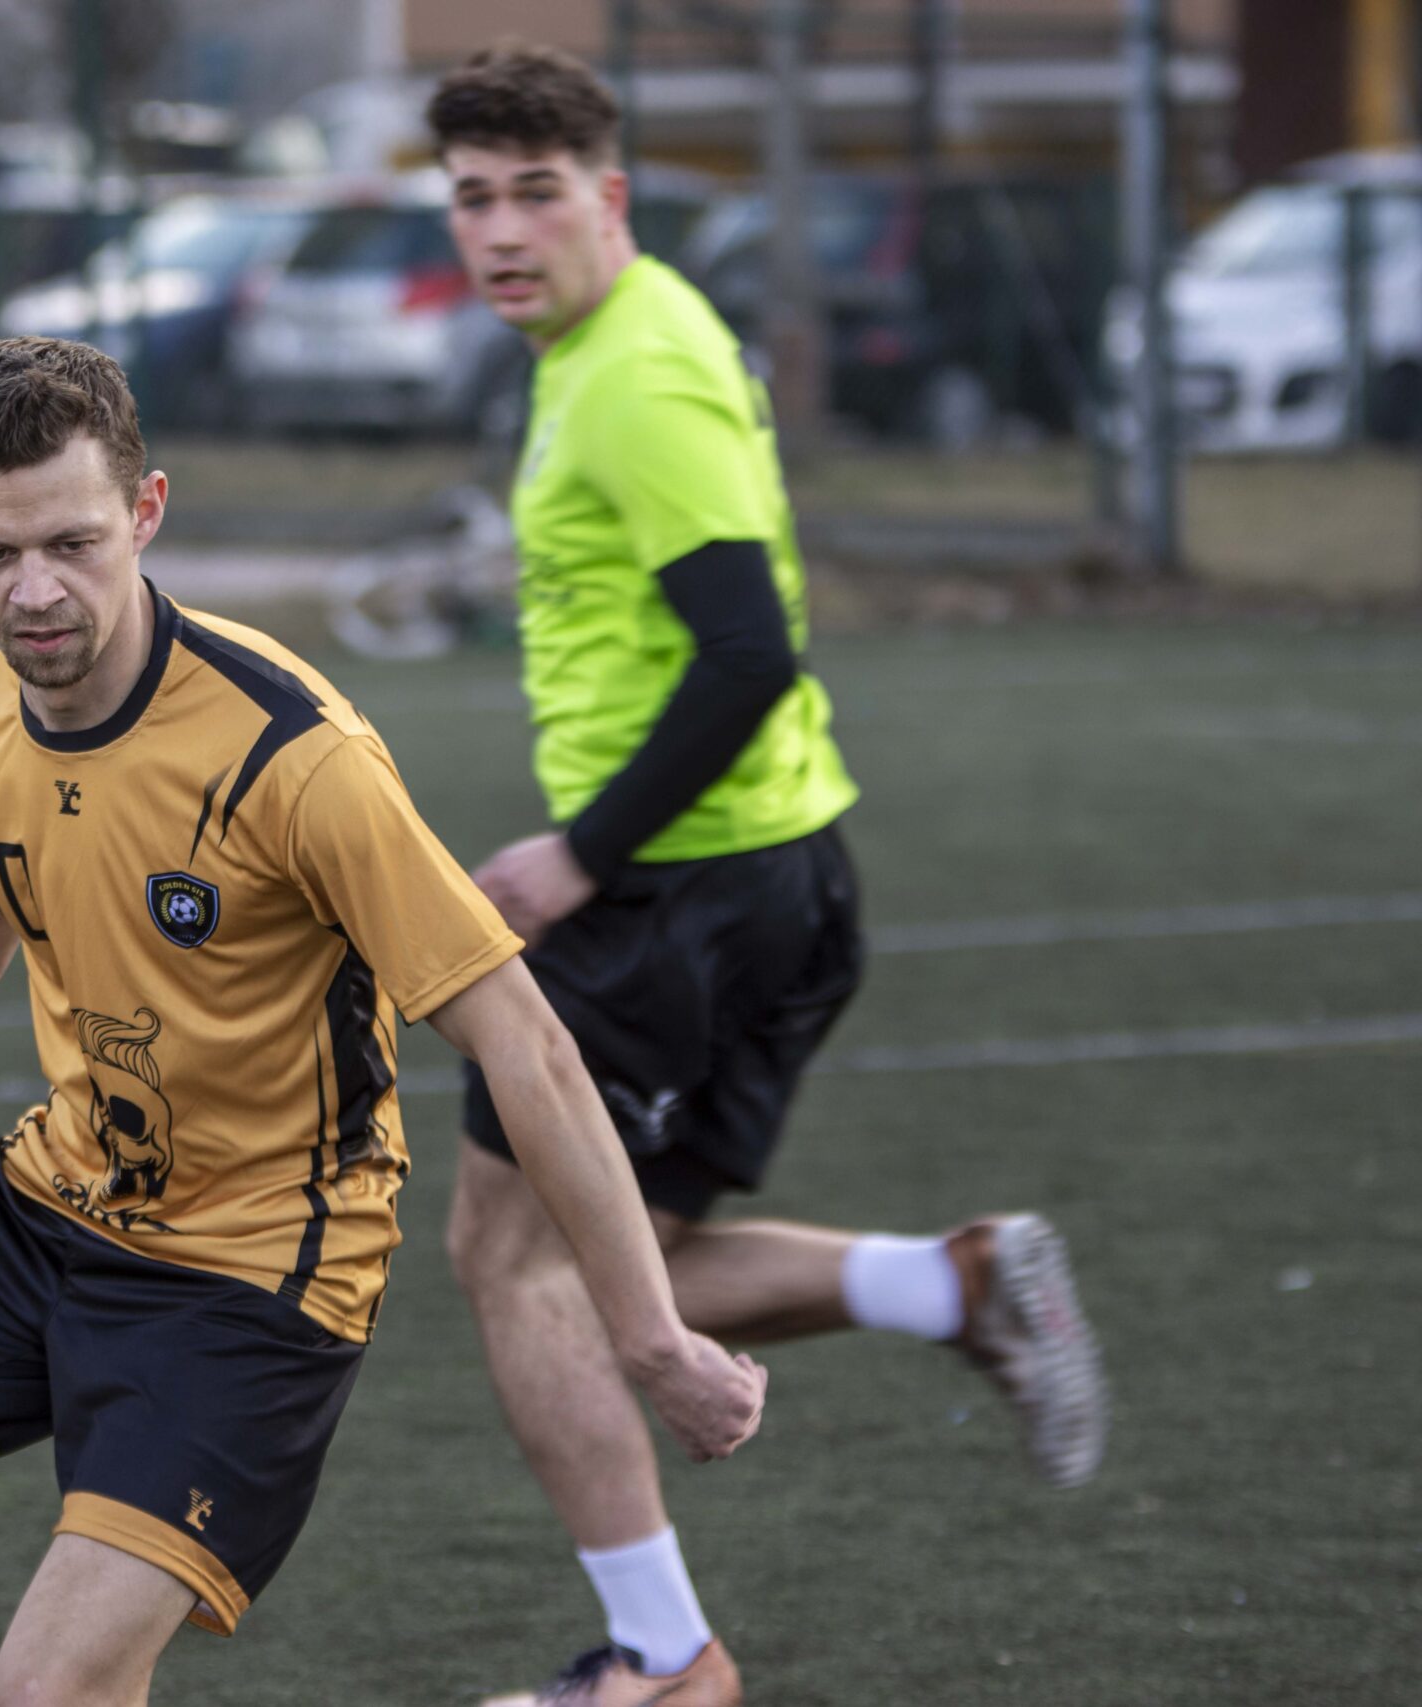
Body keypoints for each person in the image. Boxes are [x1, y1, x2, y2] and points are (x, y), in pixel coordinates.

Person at [0, 336, 766, 1707]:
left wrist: (651, 1335)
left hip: (249, 1279)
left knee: (51, 1690)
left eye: (74, 543)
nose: (34, 592)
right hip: (52, 1201)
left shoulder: (293, 755)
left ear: (147, 512)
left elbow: (528, 1045)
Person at [427, 43, 1110, 1707]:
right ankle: (945, 1282)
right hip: (771, 875)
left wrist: (578, 857)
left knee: (516, 1264)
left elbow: (747, 652)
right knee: (613, 1266)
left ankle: (665, 1662)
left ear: (610, 196)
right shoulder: (621, 335)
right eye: (473, 199)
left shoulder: (637, 374)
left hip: (677, 901)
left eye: (535, 193)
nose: (501, 230)